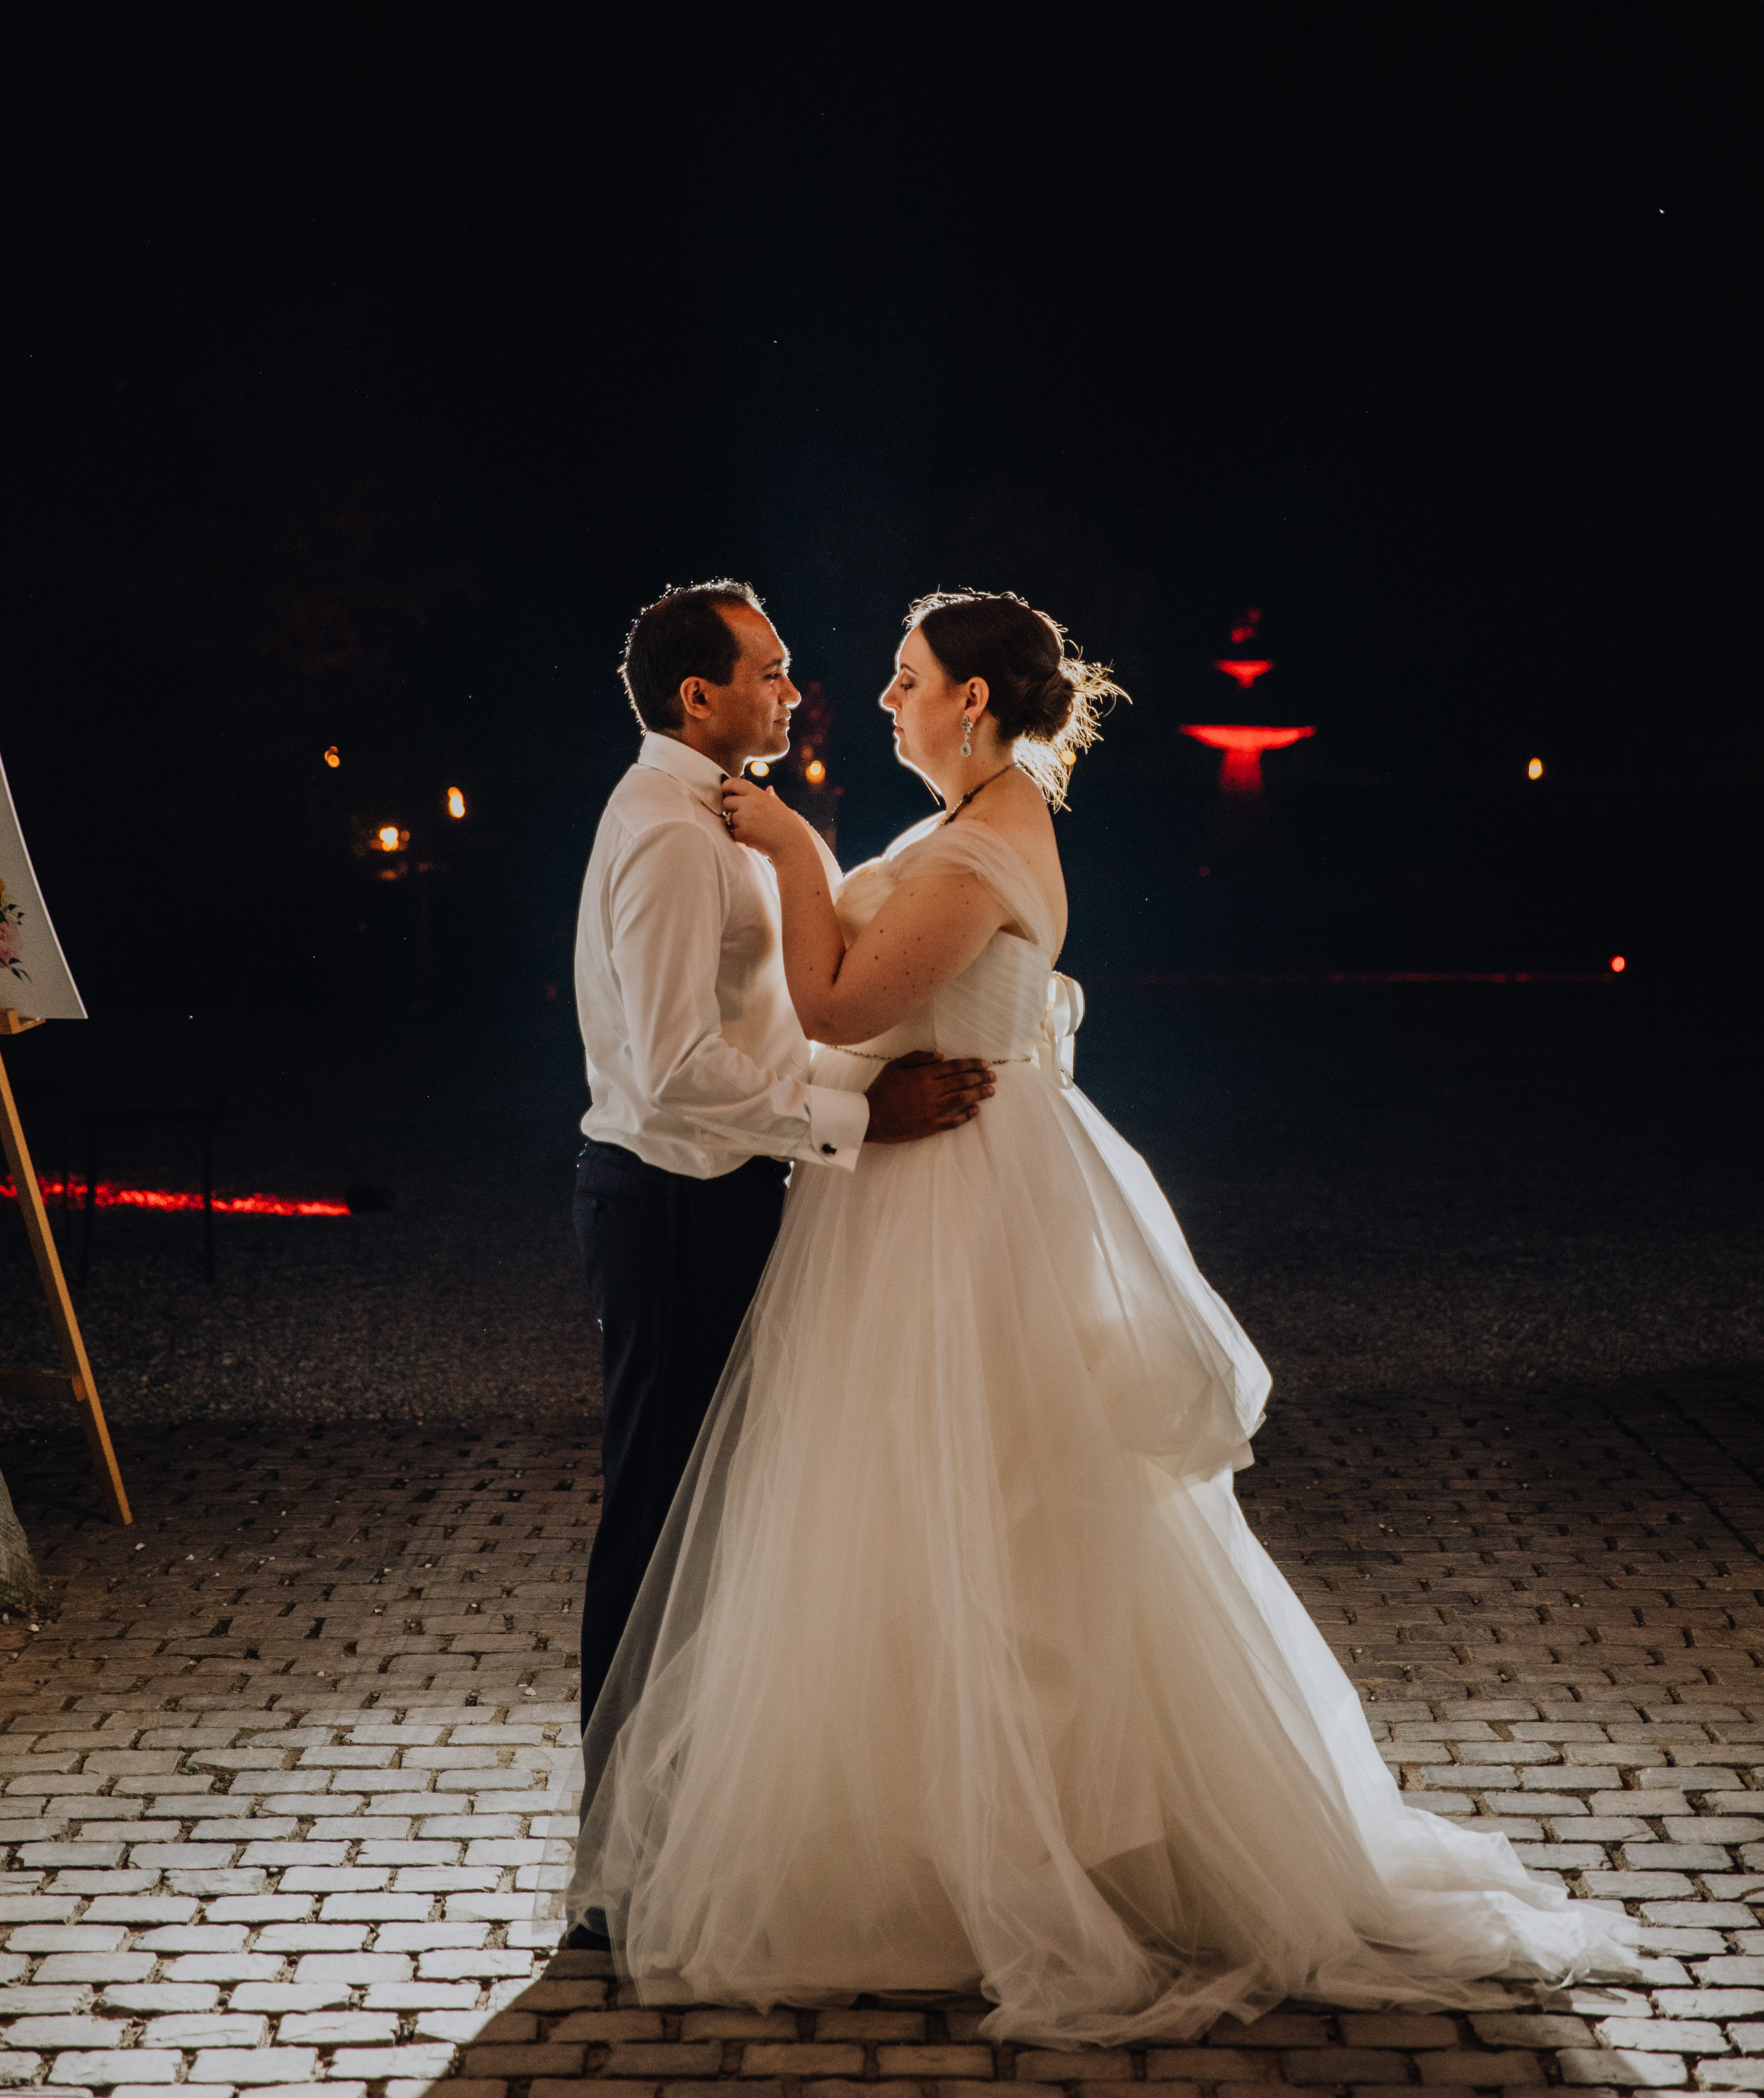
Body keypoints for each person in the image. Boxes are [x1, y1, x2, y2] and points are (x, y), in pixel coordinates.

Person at [566, 588, 1639, 2040]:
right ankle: (809, 1826)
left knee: (983, 1503)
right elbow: (753, 1038)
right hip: (880, 1190)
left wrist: (803, 856)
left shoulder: (979, 841)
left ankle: (1000, 1839)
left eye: (903, 677)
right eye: (798, 670)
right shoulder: (897, 824)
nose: (869, 697)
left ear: (973, 701)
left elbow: (834, 1004)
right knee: (858, 1506)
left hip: (955, 1202)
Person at [567, 580, 995, 1950]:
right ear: (696, 696)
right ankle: (615, 1865)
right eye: (770, 672)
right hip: (671, 1207)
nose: (794, 691)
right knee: (657, 1521)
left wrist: (852, 1084)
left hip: (728, 1191)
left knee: (721, 1518)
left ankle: (691, 1825)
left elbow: (751, 1034)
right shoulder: (665, 834)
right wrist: (859, 1121)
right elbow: (672, 1070)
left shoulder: (721, 819)